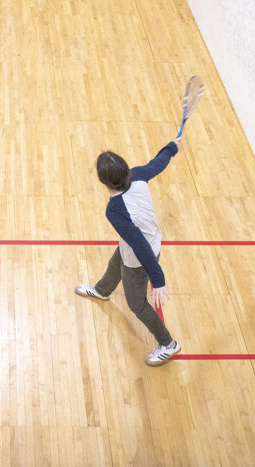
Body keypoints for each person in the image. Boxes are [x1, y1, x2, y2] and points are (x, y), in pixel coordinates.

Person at [75, 139, 182, 366]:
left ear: (104, 182)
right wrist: (171, 147)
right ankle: (102, 290)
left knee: (137, 304)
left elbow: (139, 244)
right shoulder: (137, 174)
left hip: (142, 258)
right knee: (116, 263)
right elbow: (158, 164)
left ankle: (168, 344)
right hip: (147, 243)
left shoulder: (114, 210)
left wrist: (158, 278)